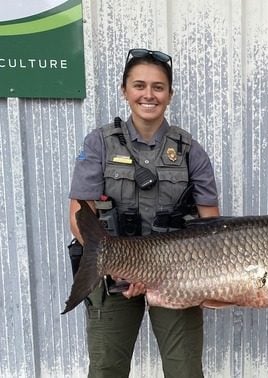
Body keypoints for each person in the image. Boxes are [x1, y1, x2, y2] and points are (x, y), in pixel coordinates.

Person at [68, 48, 219, 378]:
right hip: (111, 273)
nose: (148, 95)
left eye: (158, 87)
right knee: (107, 366)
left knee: (185, 370)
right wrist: (124, 268)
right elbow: (80, 215)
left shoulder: (191, 151)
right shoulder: (99, 144)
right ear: (125, 90)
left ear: (169, 94)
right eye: (139, 85)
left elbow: (212, 225)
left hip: (178, 275)